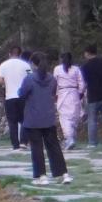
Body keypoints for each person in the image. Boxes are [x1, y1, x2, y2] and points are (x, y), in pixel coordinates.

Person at [16, 52, 67, 183]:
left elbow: (21, 94)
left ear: (33, 64)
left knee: (37, 148)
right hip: (49, 117)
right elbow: (52, 92)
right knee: (54, 147)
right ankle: (62, 174)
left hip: (33, 119)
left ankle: (41, 176)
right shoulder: (52, 79)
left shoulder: (29, 79)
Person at [0, 45, 33, 150]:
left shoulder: (3, 65)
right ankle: (23, 142)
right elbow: (30, 78)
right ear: (20, 54)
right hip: (23, 96)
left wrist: (6, 84)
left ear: (9, 53)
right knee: (24, 120)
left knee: (12, 122)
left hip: (10, 96)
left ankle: (15, 144)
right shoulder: (25, 64)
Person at [81, 46, 102, 142]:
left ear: (87, 53)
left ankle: (92, 142)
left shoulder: (85, 66)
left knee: (92, 119)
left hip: (92, 96)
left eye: (85, 53)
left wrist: (81, 92)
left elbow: (85, 83)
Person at [53, 52, 86, 147]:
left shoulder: (57, 69)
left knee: (64, 118)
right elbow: (82, 83)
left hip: (62, 94)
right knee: (74, 117)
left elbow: (54, 83)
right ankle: (71, 138)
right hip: (74, 94)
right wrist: (80, 93)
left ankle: (69, 138)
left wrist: (55, 94)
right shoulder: (76, 69)